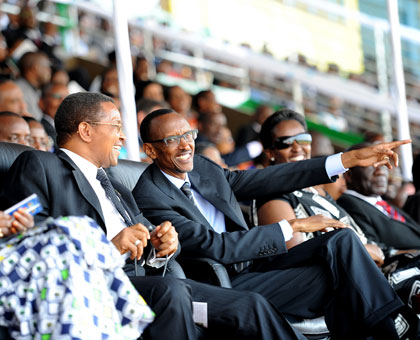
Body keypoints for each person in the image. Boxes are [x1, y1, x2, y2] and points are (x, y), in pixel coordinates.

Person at [0, 92, 307, 340]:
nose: (122, 138)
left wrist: (163, 245)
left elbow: (147, 239)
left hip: (145, 283)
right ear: (85, 130)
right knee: (171, 293)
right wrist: (110, 247)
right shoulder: (39, 165)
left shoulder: (117, 184)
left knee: (250, 305)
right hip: (94, 284)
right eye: (116, 126)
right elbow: (27, 237)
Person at [133, 107, 413, 340]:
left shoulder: (202, 167)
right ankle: (392, 330)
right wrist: (294, 226)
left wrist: (347, 159)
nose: (185, 145)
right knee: (342, 279)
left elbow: (269, 178)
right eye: (172, 140)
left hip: (258, 269)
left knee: (342, 243)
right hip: (223, 287)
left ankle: (390, 328)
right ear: (150, 150)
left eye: (188, 134)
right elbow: (214, 246)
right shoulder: (149, 194)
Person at [254, 110, 420, 327]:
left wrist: (384, 252)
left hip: (372, 267)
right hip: (341, 283)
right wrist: (362, 250)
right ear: (270, 152)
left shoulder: (316, 190)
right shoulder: (273, 194)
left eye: (303, 139)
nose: (297, 147)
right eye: (286, 142)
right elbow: (294, 256)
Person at [0, 209, 154, 339]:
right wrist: (108, 249)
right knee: (62, 244)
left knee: (72, 236)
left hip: (16, 252)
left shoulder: (120, 189)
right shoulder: (42, 173)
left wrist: (21, 228)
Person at [337, 142, 420, 255]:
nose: (380, 171)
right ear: (349, 175)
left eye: (383, 164)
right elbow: (373, 249)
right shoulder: (348, 204)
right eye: (371, 165)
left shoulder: (385, 205)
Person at [15, 51, 52, 120]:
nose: (49, 70)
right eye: (47, 66)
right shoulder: (18, 90)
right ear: (36, 68)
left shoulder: (35, 89)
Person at [39, 83, 69, 150]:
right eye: (57, 97)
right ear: (41, 102)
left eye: (67, 98)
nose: (63, 102)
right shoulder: (40, 128)